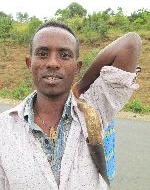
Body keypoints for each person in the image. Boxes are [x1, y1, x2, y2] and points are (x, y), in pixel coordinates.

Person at [0, 21, 141, 190]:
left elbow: (130, 44)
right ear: (29, 63)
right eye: (43, 54)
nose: (52, 63)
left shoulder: (95, 108)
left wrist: (81, 86)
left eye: (65, 55)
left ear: (77, 67)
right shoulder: (4, 127)